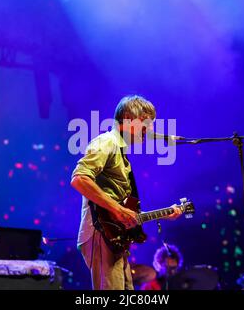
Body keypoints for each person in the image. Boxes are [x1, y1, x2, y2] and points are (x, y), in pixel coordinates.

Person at [71, 95, 183, 290]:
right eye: (146, 123)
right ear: (129, 120)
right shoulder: (106, 142)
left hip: (112, 236)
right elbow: (79, 179)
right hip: (99, 232)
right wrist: (117, 209)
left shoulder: (121, 152)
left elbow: (123, 210)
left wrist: (164, 214)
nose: (149, 130)